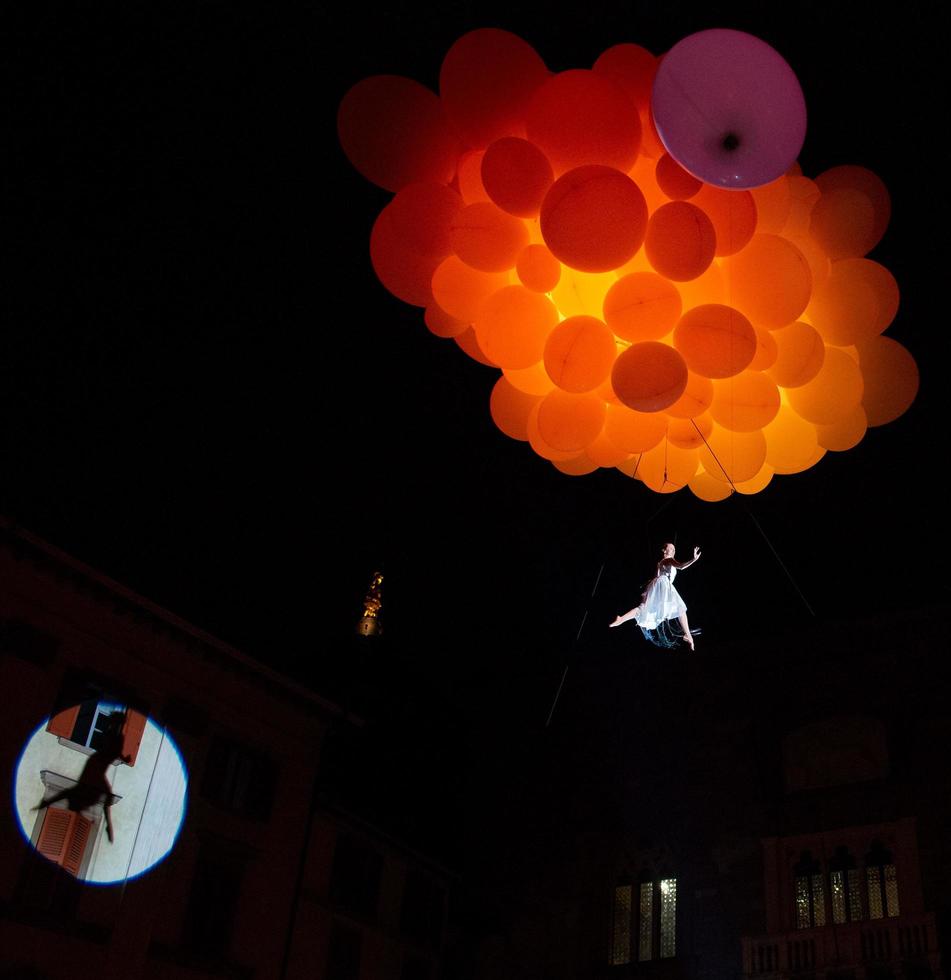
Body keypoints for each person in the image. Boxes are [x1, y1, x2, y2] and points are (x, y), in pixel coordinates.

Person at [609, 543, 701, 650]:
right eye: (670, 548)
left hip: (658, 585)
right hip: (664, 584)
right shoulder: (668, 560)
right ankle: (688, 635)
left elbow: (656, 578)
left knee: (644, 609)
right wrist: (694, 559)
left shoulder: (660, 563)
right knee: (680, 608)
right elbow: (681, 566)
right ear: (664, 550)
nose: (673, 550)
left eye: (674, 548)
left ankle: (621, 619)